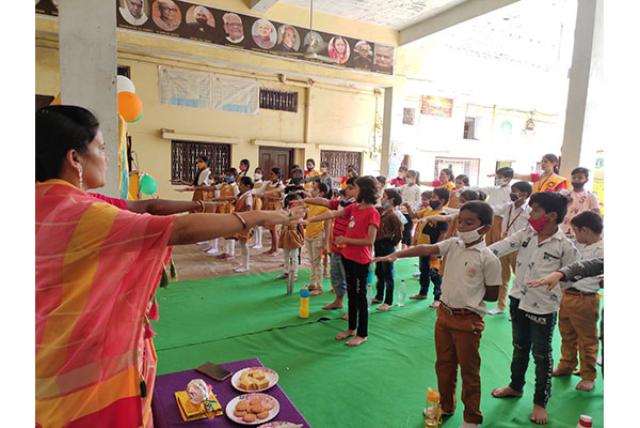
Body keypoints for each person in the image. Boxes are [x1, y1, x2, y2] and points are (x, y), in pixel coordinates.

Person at [35, 106, 304, 428]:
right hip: (81, 362)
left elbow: (146, 205)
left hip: (43, 350)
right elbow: (178, 229)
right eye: (101, 148)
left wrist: (204, 204)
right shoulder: (84, 213)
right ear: (74, 158)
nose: (107, 157)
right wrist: (263, 217)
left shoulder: (43, 201)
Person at [375, 201, 502, 427]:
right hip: (444, 315)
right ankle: (446, 405)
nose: (462, 226)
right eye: (460, 221)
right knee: (444, 364)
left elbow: (492, 295)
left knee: (470, 372)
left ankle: (472, 417)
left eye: (469, 222)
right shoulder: (453, 244)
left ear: (484, 227)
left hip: (468, 320)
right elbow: (427, 249)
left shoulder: (488, 258)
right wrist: (398, 254)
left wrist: (467, 301)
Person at [489, 192, 579, 425]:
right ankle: (515, 385)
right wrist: (477, 252)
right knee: (519, 346)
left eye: (535, 209)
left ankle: (540, 401)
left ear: (551, 216)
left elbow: (570, 278)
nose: (530, 214)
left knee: (541, 354)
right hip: (518, 299)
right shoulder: (526, 233)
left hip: (543, 308)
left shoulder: (565, 246)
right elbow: (502, 245)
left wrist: (555, 287)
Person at [306, 176, 380, 346]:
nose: (349, 191)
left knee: (360, 297)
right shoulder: (354, 207)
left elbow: (369, 240)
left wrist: (345, 239)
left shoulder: (372, 212)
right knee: (352, 295)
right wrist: (308, 220)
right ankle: (351, 328)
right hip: (348, 257)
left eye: (354, 188)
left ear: (364, 191)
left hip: (361, 260)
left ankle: (362, 334)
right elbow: (332, 213)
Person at [540, 211, 603, 391]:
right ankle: (566, 365)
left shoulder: (602, 249)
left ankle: (588, 375)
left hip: (586, 299)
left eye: (575, 231)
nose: (574, 234)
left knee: (587, 339)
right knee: (567, 334)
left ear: (585, 230)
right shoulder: (577, 245)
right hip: (567, 296)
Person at [304, 177, 358, 311]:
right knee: (336, 275)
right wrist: (304, 199)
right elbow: (325, 202)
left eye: (351, 188)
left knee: (350, 280)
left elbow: (330, 214)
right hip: (337, 246)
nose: (347, 190)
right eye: (347, 187)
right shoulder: (343, 202)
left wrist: (311, 220)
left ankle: (353, 309)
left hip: (349, 248)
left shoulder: (357, 206)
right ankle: (338, 301)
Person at [487, 181, 533, 315]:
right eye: (512, 191)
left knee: (520, 278)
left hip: (519, 247)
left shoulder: (529, 210)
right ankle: (501, 306)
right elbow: (492, 209)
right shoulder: (508, 207)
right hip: (504, 244)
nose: (511, 194)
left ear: (524, 194)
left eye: (515, 191)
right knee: (502, 277)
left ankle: (520, 308)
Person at [405, 188, 450, 306]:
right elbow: (414, 216)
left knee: (434, 274)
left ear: (442, 200)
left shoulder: (442, 215)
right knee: (423, 271)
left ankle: (437, 298)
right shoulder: (427, 210)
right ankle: (423, 292)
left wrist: (437, 249)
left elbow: (443, 233)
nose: (431, 200)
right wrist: (408, 207)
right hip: (422, 248)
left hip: (433, 249)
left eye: (434, 197)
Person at [371, 189, 403, 311]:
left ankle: (388, 301)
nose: (382, 199)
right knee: (379, 272)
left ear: (392, 200)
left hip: (387, 246)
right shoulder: (382, 213)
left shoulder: (393, 215)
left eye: (384, 197)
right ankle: (379, 296)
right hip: (378, 245)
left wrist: (392, 244)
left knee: (388, 274)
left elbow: (399, 233)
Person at [303, 181, 331, 295]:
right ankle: (313, 282)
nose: (311, 191)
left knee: (317, 261)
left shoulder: (326, 206)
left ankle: (318, 286)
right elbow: (304, 211)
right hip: (308, 234)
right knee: (311, 260)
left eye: (314, 189)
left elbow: (327, 226)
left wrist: (326, 241)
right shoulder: (311, 203)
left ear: (322, 193)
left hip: (318, 235)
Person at [560, 167, 601, 237]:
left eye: (580, 178)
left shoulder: (590, 196)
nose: (576, 180)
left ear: (586, 180)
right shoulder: (564, 193)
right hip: (562, 228)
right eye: (574, 177)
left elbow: (596, 214)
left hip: (580, 230)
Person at [211, 167, 240, 258]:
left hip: (229, 210)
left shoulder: (235, 187)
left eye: (229, 175)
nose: (227, 177)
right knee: (222, 231)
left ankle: (231, 252)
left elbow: (236, 198)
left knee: (230, 232)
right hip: (222, 209)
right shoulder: (224, 185)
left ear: (235, 176)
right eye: (226, 175)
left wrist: (223, 200)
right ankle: (224, 250)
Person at [228, 177, 255, 273]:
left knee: (244, 244)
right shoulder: (242, 195)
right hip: (240, 221)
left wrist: (246, 221)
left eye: (241, 185)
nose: (239, 186)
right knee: (242, 244)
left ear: (247, 186)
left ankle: (245, 265)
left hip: (244, 222)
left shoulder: (248, 196)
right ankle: (244, 263)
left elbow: (249, 207)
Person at [276, 193, 305, 282]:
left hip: (294, 234)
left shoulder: (300, 210)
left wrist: (291, 214)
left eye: (293, 201)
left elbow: (300, 220)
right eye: (290, 201)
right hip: (286, 233)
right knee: (286, 255)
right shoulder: (287, 209)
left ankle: (294, 274)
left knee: (294, 256)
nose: (292, 203)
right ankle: (286, 271)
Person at [260, 167, 285, 255]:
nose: (271, 176)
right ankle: (272, 248)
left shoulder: (280, 185)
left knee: (275, 229)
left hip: (276, 207)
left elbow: (282, 197)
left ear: (277, 175)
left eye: (272, 174)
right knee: (270, 229)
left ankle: (276, 250)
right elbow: (261, 192)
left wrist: (270, 196)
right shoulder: (268, 184)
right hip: (268, 207)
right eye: (270, 174)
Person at [399, 170, 422, 249]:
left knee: (407, 230)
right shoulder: (404, 186)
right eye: (406, 176)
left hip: (409, 212)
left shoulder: (417, 188)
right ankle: (402, 246)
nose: (407, 178)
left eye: (409, 177)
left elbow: (418, 201)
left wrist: (413, 210)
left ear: (414, 177)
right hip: (401, 211)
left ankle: (408, 247)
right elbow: (397, 191)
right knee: (402, 229)